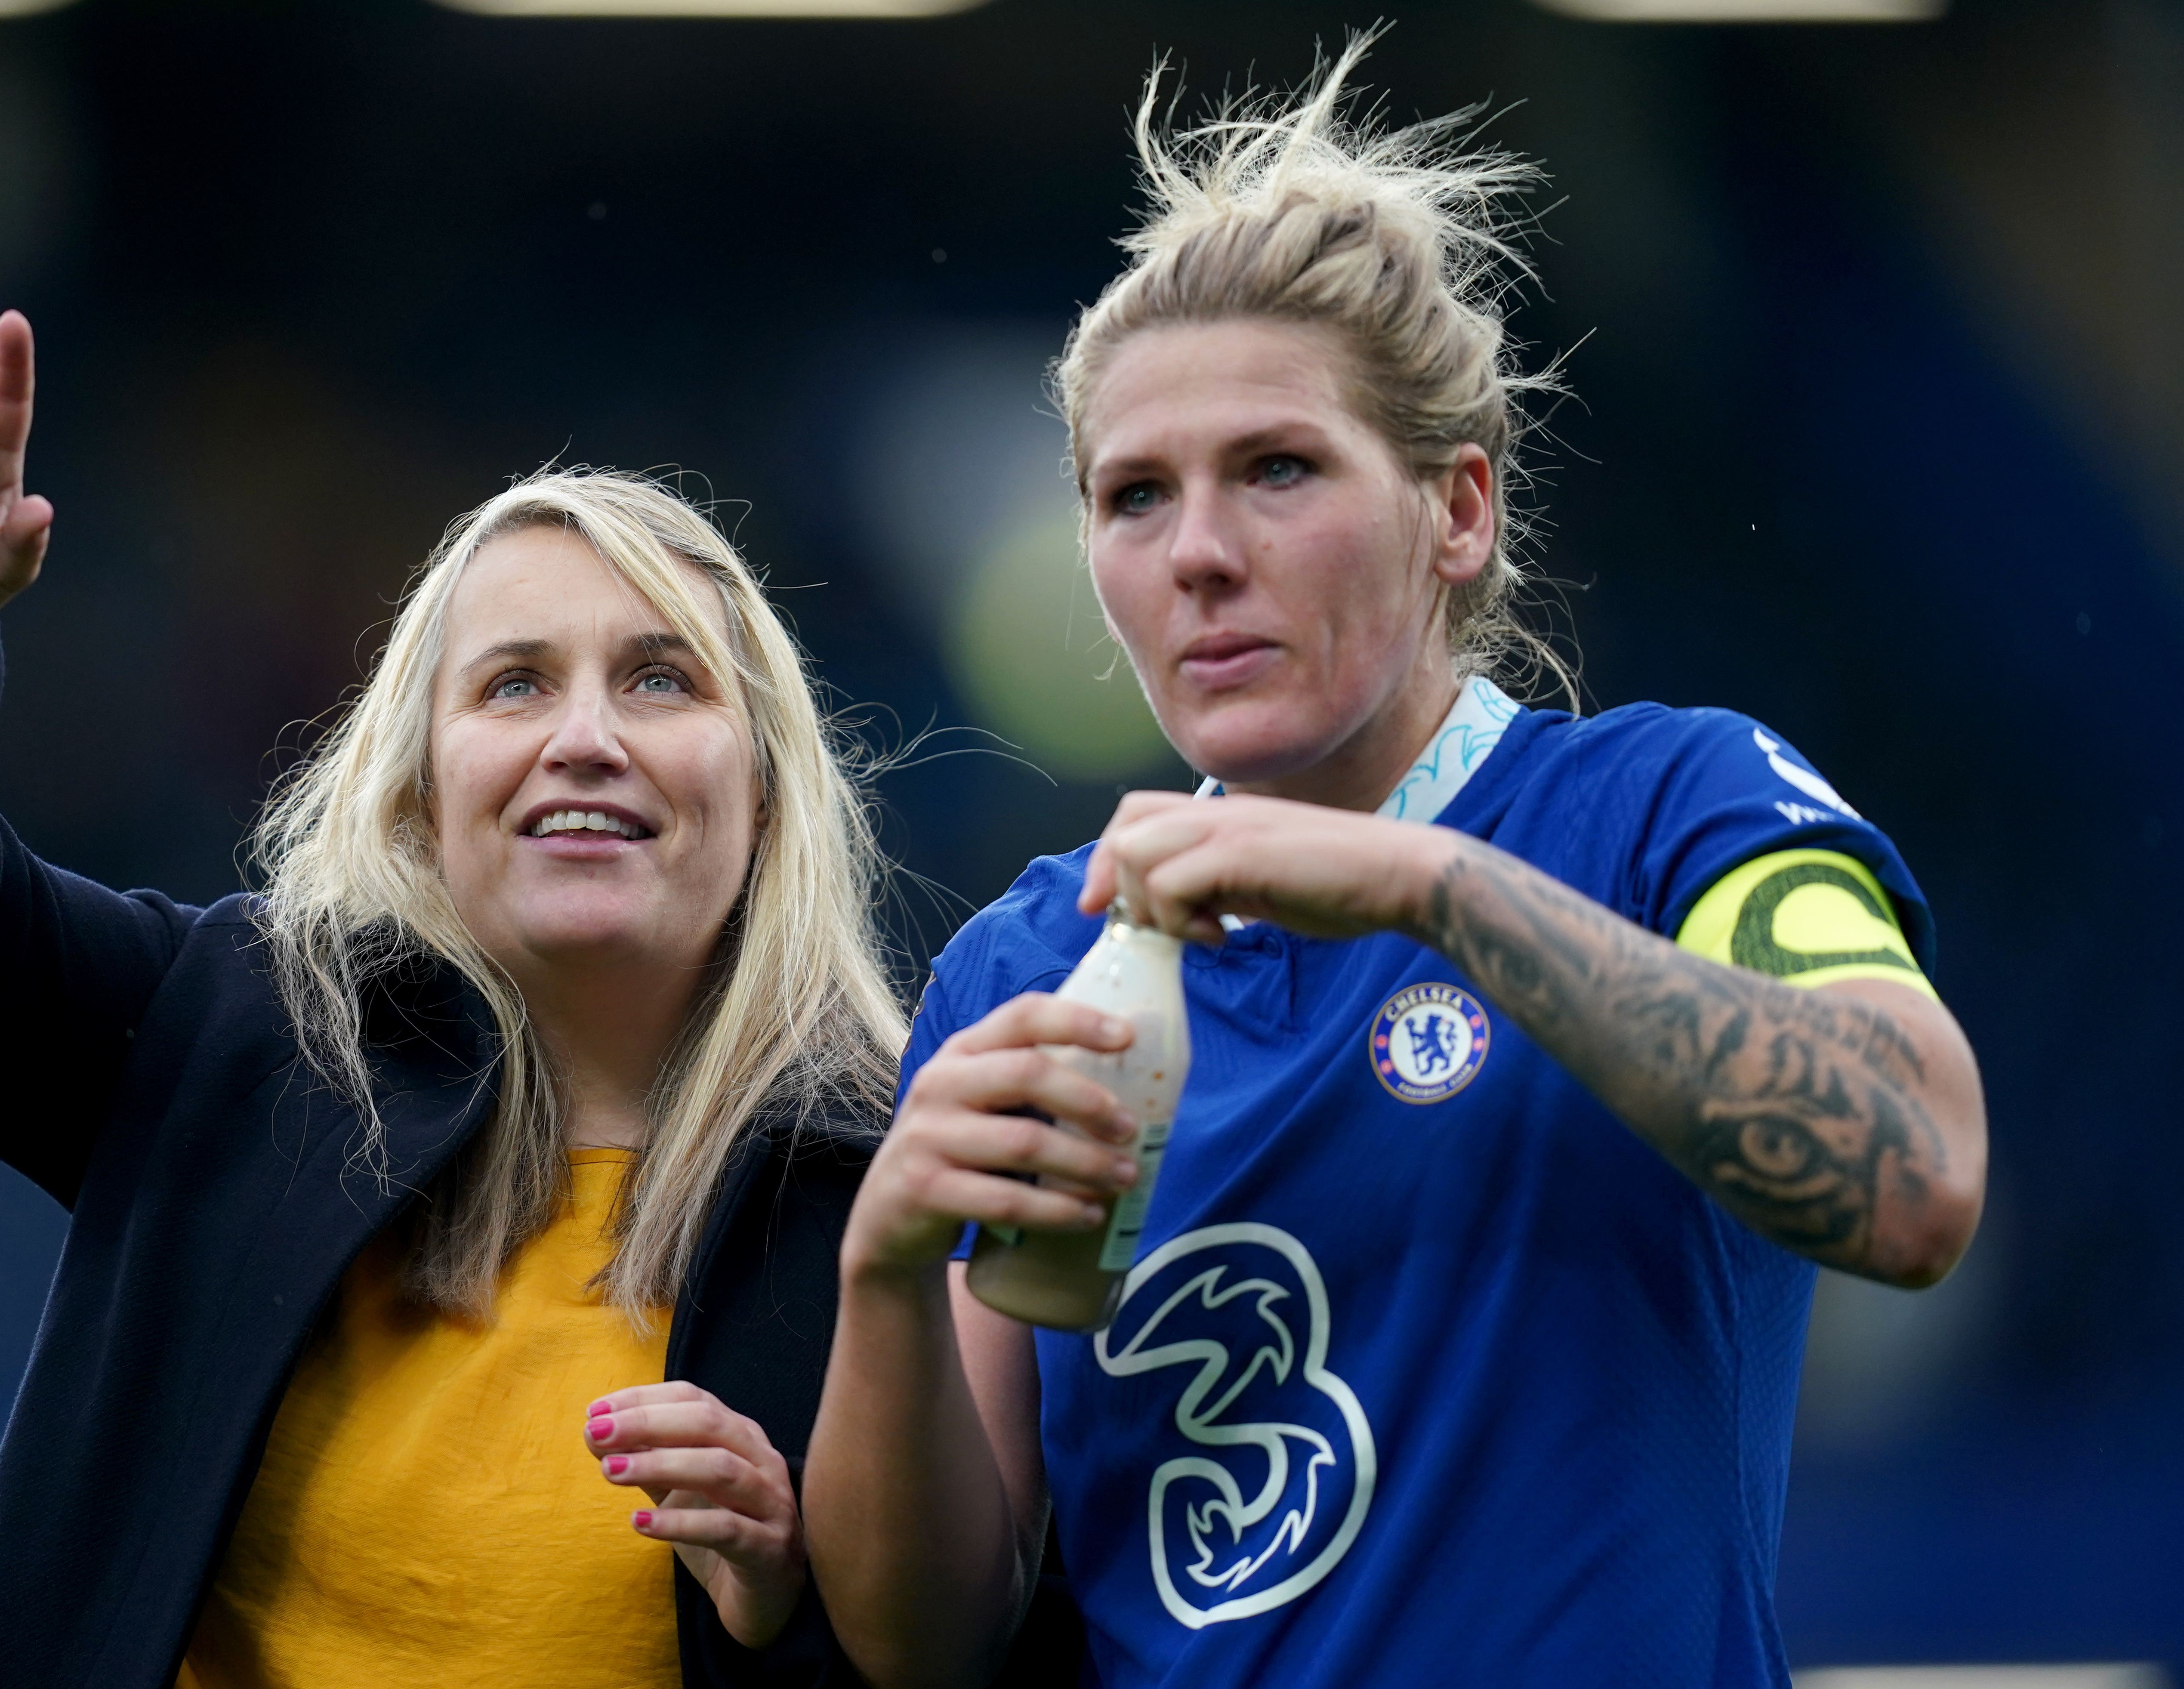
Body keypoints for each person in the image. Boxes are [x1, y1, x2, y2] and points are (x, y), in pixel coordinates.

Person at [804, 42, 1987, 1689]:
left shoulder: (1668, 809)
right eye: (1134, 497)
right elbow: (925, 1639)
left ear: (1461, 513)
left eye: (1277, 469)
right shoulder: (1023, 966)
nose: (1202, 552)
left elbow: (1917, 1176)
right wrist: (883, 1273)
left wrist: (1432, 887)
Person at [0, 312, 905, 1689]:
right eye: (515, 683)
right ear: (423, 794)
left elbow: (999, 1638)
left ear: (768, 790)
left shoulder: (896, 1202)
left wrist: (796, 1600)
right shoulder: (245, 1037)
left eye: (661, 680)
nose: (586, 738)